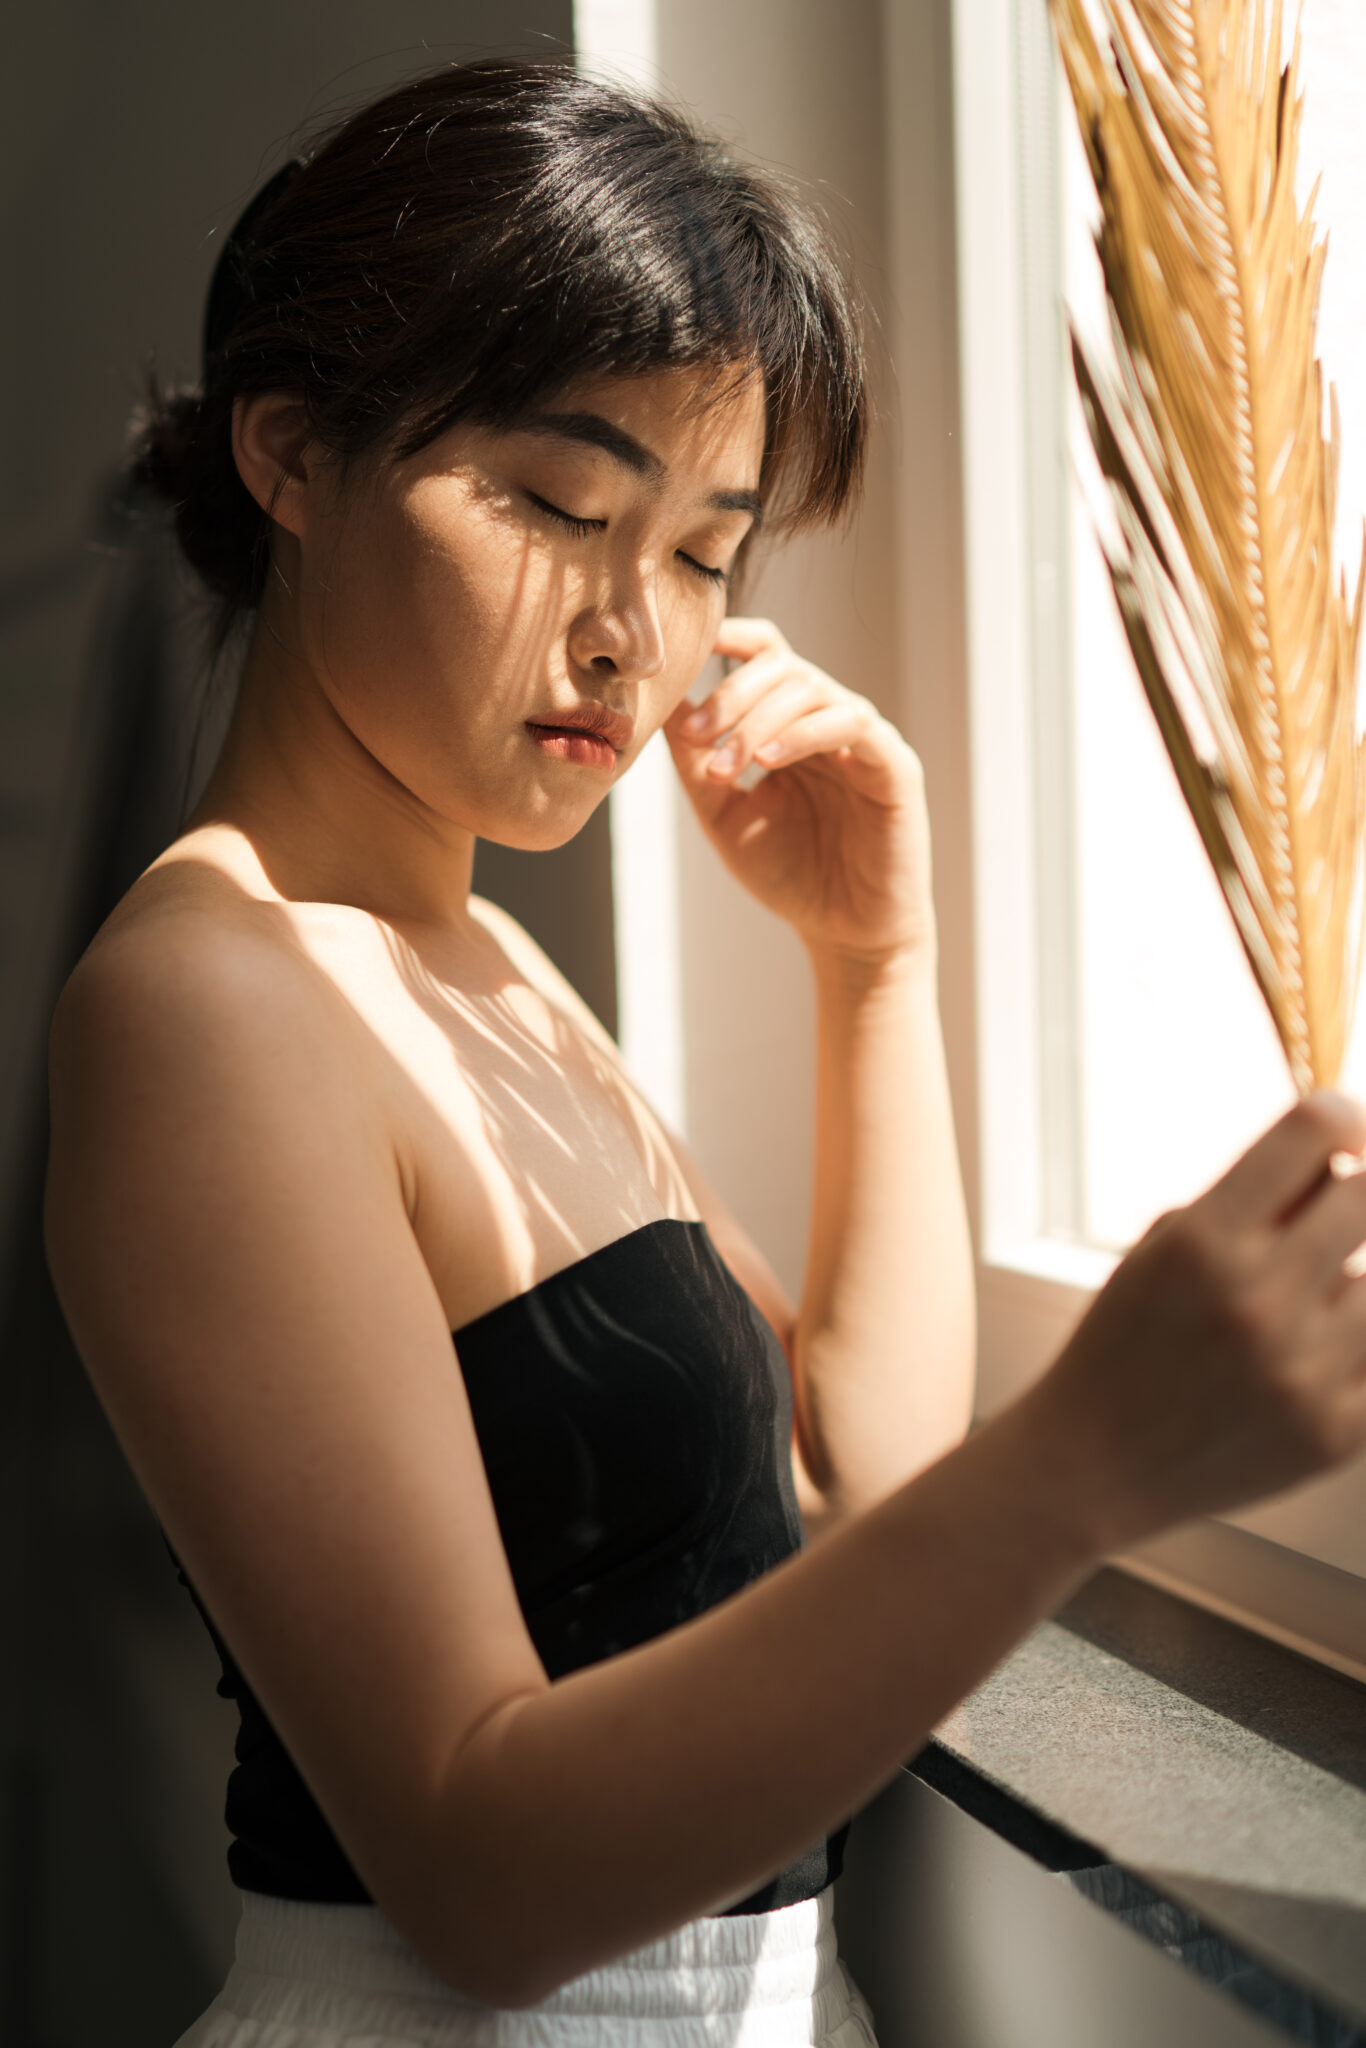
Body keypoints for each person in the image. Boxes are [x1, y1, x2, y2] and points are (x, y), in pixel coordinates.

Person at [41, 55, 1366, 2048]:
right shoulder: (207, 1001)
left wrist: (874, 965)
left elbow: (848, 1495)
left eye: (698, 552)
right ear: (294, 453)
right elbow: (478, 1873)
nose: (628, 633)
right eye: (562, 504)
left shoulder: (478, 958)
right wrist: (1086, 1453)